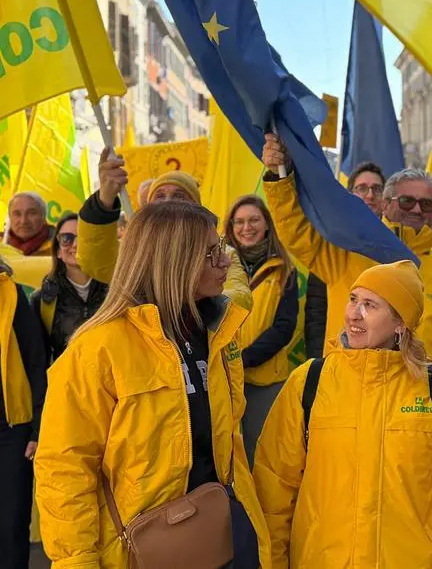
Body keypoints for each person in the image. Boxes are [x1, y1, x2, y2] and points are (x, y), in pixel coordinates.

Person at [35, 202, 270, 568]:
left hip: (216, 537)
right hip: (137, 549)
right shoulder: (99, 347)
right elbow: (64, 468)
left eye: (221, 247)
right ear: (172, 261)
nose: (225, 261)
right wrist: (76, 562)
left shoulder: (218, 332)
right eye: (211, 253)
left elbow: (226, 446)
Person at [254, 260, 432, 568]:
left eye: (370, 305)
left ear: (400, 322)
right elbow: (274, 488)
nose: (354, 313)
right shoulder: (309, 381)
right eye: (353, 300)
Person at [262, 135, 432, 390]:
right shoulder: (345, 254)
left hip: (418, 403)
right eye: (407, 201)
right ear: (386, 204)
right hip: (347, 393)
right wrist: (279, 177)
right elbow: (296, 231)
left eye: (427, 204)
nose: (417, 210)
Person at [77, 148, 252, 311]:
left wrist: (190, 301)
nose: (168, 201)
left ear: (196, 208)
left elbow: (239, 297)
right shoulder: (136, 255)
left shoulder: (222, 255)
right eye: (159, 196)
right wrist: (105, 199)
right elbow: (95, 261)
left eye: (179, 196)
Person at [224, 195, 307, 466]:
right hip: (222, 379)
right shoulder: (218, 267)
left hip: (265, 381)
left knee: (261, 456)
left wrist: (245, 358)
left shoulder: (284, 270)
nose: (246, 227)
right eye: (239, 221)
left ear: (267, 224)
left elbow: (284, 328)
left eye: (253, 220)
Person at [0, 258, 46, 569]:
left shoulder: (12, 295)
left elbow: (36, 362)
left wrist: (36, 429)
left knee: (11, 524)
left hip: (12, 430)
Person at [30, 213, 108, 365]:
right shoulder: (42, 300)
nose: (75, 245)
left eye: (84, 238)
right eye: (67, 239)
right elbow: (38, 359)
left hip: (113, 384)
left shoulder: (116, 292)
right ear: (58, 251)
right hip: (65, 385)